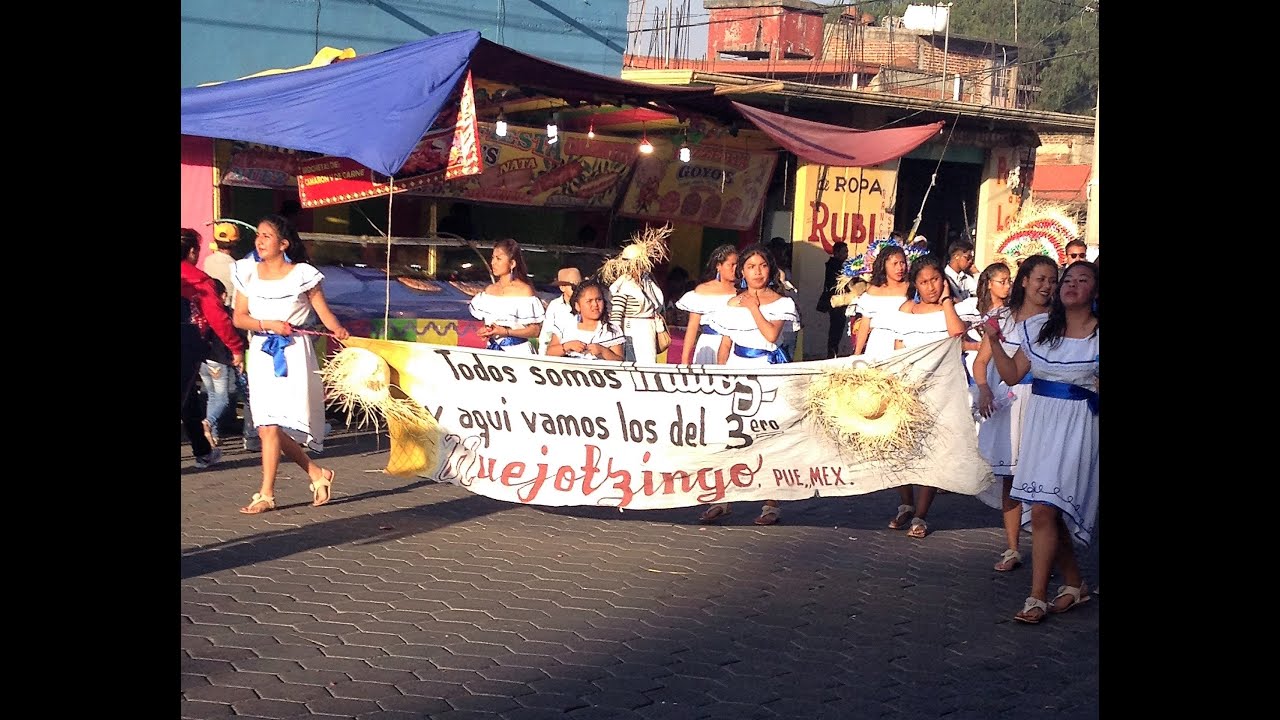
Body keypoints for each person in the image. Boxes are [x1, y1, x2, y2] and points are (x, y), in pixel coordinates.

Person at [983, 261, 1098, 624]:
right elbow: (1012, 374)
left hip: (1080, 426)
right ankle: (1074, 584)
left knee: (1049, 509)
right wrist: (992, 339)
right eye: (1068, 279)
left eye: (1083, 280)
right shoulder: (1038, 328)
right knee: (1048, 508)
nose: (1071, 285)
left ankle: (1036, 597)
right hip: (1041, 422)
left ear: (1095, 291)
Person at [231, 214, 350, 515]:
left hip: (294, 352)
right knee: (266, 426)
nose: (259, 240)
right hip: (261, 350)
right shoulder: (246, 272)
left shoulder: (303, 274)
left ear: (283, 243)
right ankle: (314, 473)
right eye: (257, 235)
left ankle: (266, 494)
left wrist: (339, 331)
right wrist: (267, 323)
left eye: (267, 236)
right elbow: (239, 317)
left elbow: (324, 313)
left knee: (271, 426)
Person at [973, 255, 1058, 572]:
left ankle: (1048, 551)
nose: (1047, 286)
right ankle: (1012, 547)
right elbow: (981, 362)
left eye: (1052, 280)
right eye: (1040, 279)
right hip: (1007, 404)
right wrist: (983, 389)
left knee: (1041, 479)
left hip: (1041, 401)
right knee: (1011, 477)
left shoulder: (1057, 320)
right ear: (1024, 280)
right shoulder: (1002, 317)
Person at [702, 244, 798, 526]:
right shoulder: (731, 304)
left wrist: (755, 307)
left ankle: (770, 502)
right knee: (729, 436)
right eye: (751, 267)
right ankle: (722, 498)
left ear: (771, 268)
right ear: (742, 271)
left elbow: (770, 337)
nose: (757, 272)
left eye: (762, 266)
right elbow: (726, 343)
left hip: (767, 371)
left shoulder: (782, 303)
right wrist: (719, 376)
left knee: (768, 436)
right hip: (736, 371)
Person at [886, 255, 966, 538]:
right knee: (901, 450)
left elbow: (958, 333)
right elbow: (897, 348)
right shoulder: (906, 310)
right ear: (915, 284)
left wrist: (946, 302)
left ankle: (921, 514)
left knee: (933, 452)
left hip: (941, 390)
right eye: (923, 281)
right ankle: (906, 503)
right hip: (908, 389)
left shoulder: (954, 309)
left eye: (935, 280)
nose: (930, 286)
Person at [182, 228, 245, 469]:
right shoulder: (200, 281)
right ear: (191, 252)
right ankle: (203, 451)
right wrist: (236, 348)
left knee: (189, 401)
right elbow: (218, 318)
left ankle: (203, 451)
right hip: (188, 344)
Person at [469, 238, 545, 353]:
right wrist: (488, 330)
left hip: (517, 352)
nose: (493, 262)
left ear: (512, 263)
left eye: (498, 259)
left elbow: (535, 330)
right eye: (493, 258)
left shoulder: (524, 291)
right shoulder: (490, 290)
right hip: (492, 350)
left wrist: (506, 332)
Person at [676, 244, 739, 365]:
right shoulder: (703, 290)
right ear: (718, 266)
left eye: (737, 265)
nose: (734, 268)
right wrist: (685, 359)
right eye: (731, 265)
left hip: (734, 344)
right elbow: (693, 326)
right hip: (709, 343)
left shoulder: (742, 290)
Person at [198, 279, 238, 449]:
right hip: (219, 361)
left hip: (203, 361)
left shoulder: (202, 313)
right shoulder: (224, 314)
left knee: (212, 396)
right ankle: (208, 422)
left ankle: (212, 435)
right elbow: (232, 334)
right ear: (222, 295)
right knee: (223, 399)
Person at [544, 278, 626, 361]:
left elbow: (620, 361)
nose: (595, 304)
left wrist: (604, 352)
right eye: (589, 301)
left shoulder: (612, 330)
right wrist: (567, 346)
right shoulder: (564, 326)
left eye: (598, 300)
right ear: (577, 306)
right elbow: (549, 353)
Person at [851, 245, 911, 358]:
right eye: (895, 263)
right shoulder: (873, 291)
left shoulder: (910, 288)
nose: (900, 268)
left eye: (902, 263)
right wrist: (857, 353)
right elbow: (865, 324)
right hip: (877, 343)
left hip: (903, 342)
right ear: (884, 265)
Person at [608, 249, 666, 364]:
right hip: (631, 333)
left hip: (648, 331)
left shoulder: (648, 282)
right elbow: (616, 317)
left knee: (648, 365)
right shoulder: (623, 285)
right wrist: (616, 342)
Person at [815, 241, 849, 359]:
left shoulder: (838, 265)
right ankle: (832, 352)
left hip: (839, 301)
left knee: (837, 328)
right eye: (844, 252)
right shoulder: (835, 266)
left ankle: (833, 351)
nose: (846, 254)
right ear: (837, 253)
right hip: (836, 301)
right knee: (836, 328)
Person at [538, 266, 582, 354]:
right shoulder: (555, 306)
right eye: (573, 286)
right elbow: (546, 334)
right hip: (560, 354)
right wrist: (542, 356)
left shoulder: (586, 304)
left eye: (580, 285)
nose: (577, 289)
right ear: (562, 287)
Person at [199, 222, 239, 308]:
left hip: (209, 306)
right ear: (235, 243)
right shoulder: (236, 266)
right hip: (228, 308)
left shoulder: (207, 261)